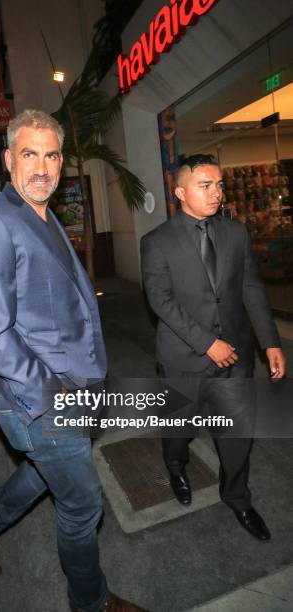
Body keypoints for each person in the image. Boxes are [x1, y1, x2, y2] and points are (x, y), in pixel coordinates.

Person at [0, 109, 148, 612]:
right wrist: (55, 393)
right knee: (82, 502)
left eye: (51, 155)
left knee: (46, 475)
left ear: (61, 161)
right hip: (41, 400)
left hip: (72, 387)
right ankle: (91, 602)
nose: (41, 167)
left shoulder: (42, 216)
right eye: (29, 154)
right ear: (8, 159)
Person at [141, 154, 286, 541]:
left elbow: (251, 289)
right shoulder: (156, 242)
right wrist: (208, 344)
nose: (216, 193)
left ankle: (237, 498)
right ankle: (175, 466)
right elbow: (161, 301)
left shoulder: (235, 234)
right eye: (205, 185)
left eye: (219, 185)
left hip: (236, 356)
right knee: (178, 428)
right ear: (180, 192)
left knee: (239, 433)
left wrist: (269, 342)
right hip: (183, 359)